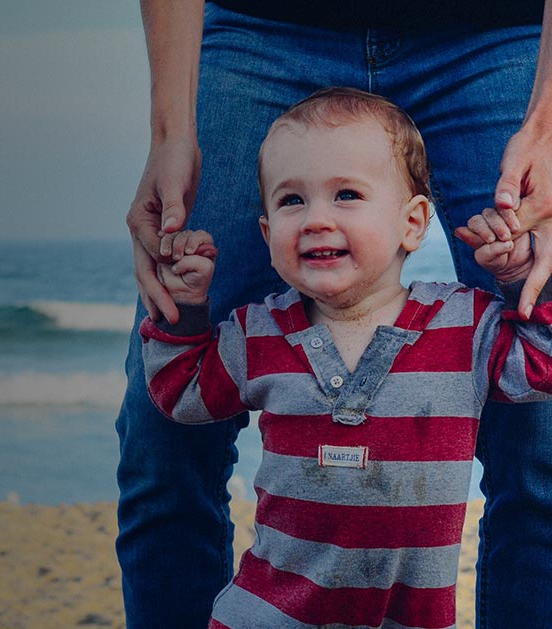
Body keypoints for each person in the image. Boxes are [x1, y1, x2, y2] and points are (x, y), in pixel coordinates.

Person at [117, 2, 552, 627]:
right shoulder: (254, 337)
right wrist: (170, 136)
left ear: (414, 222)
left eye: (346, 196)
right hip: (260, 30)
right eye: (293, 203)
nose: (319, 218)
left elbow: (540, 359)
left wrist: (547, 129)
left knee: (543, 444)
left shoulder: (466, 330)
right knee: (161, 449)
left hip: (497, 30)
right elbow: (180, 388)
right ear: (266, 229)